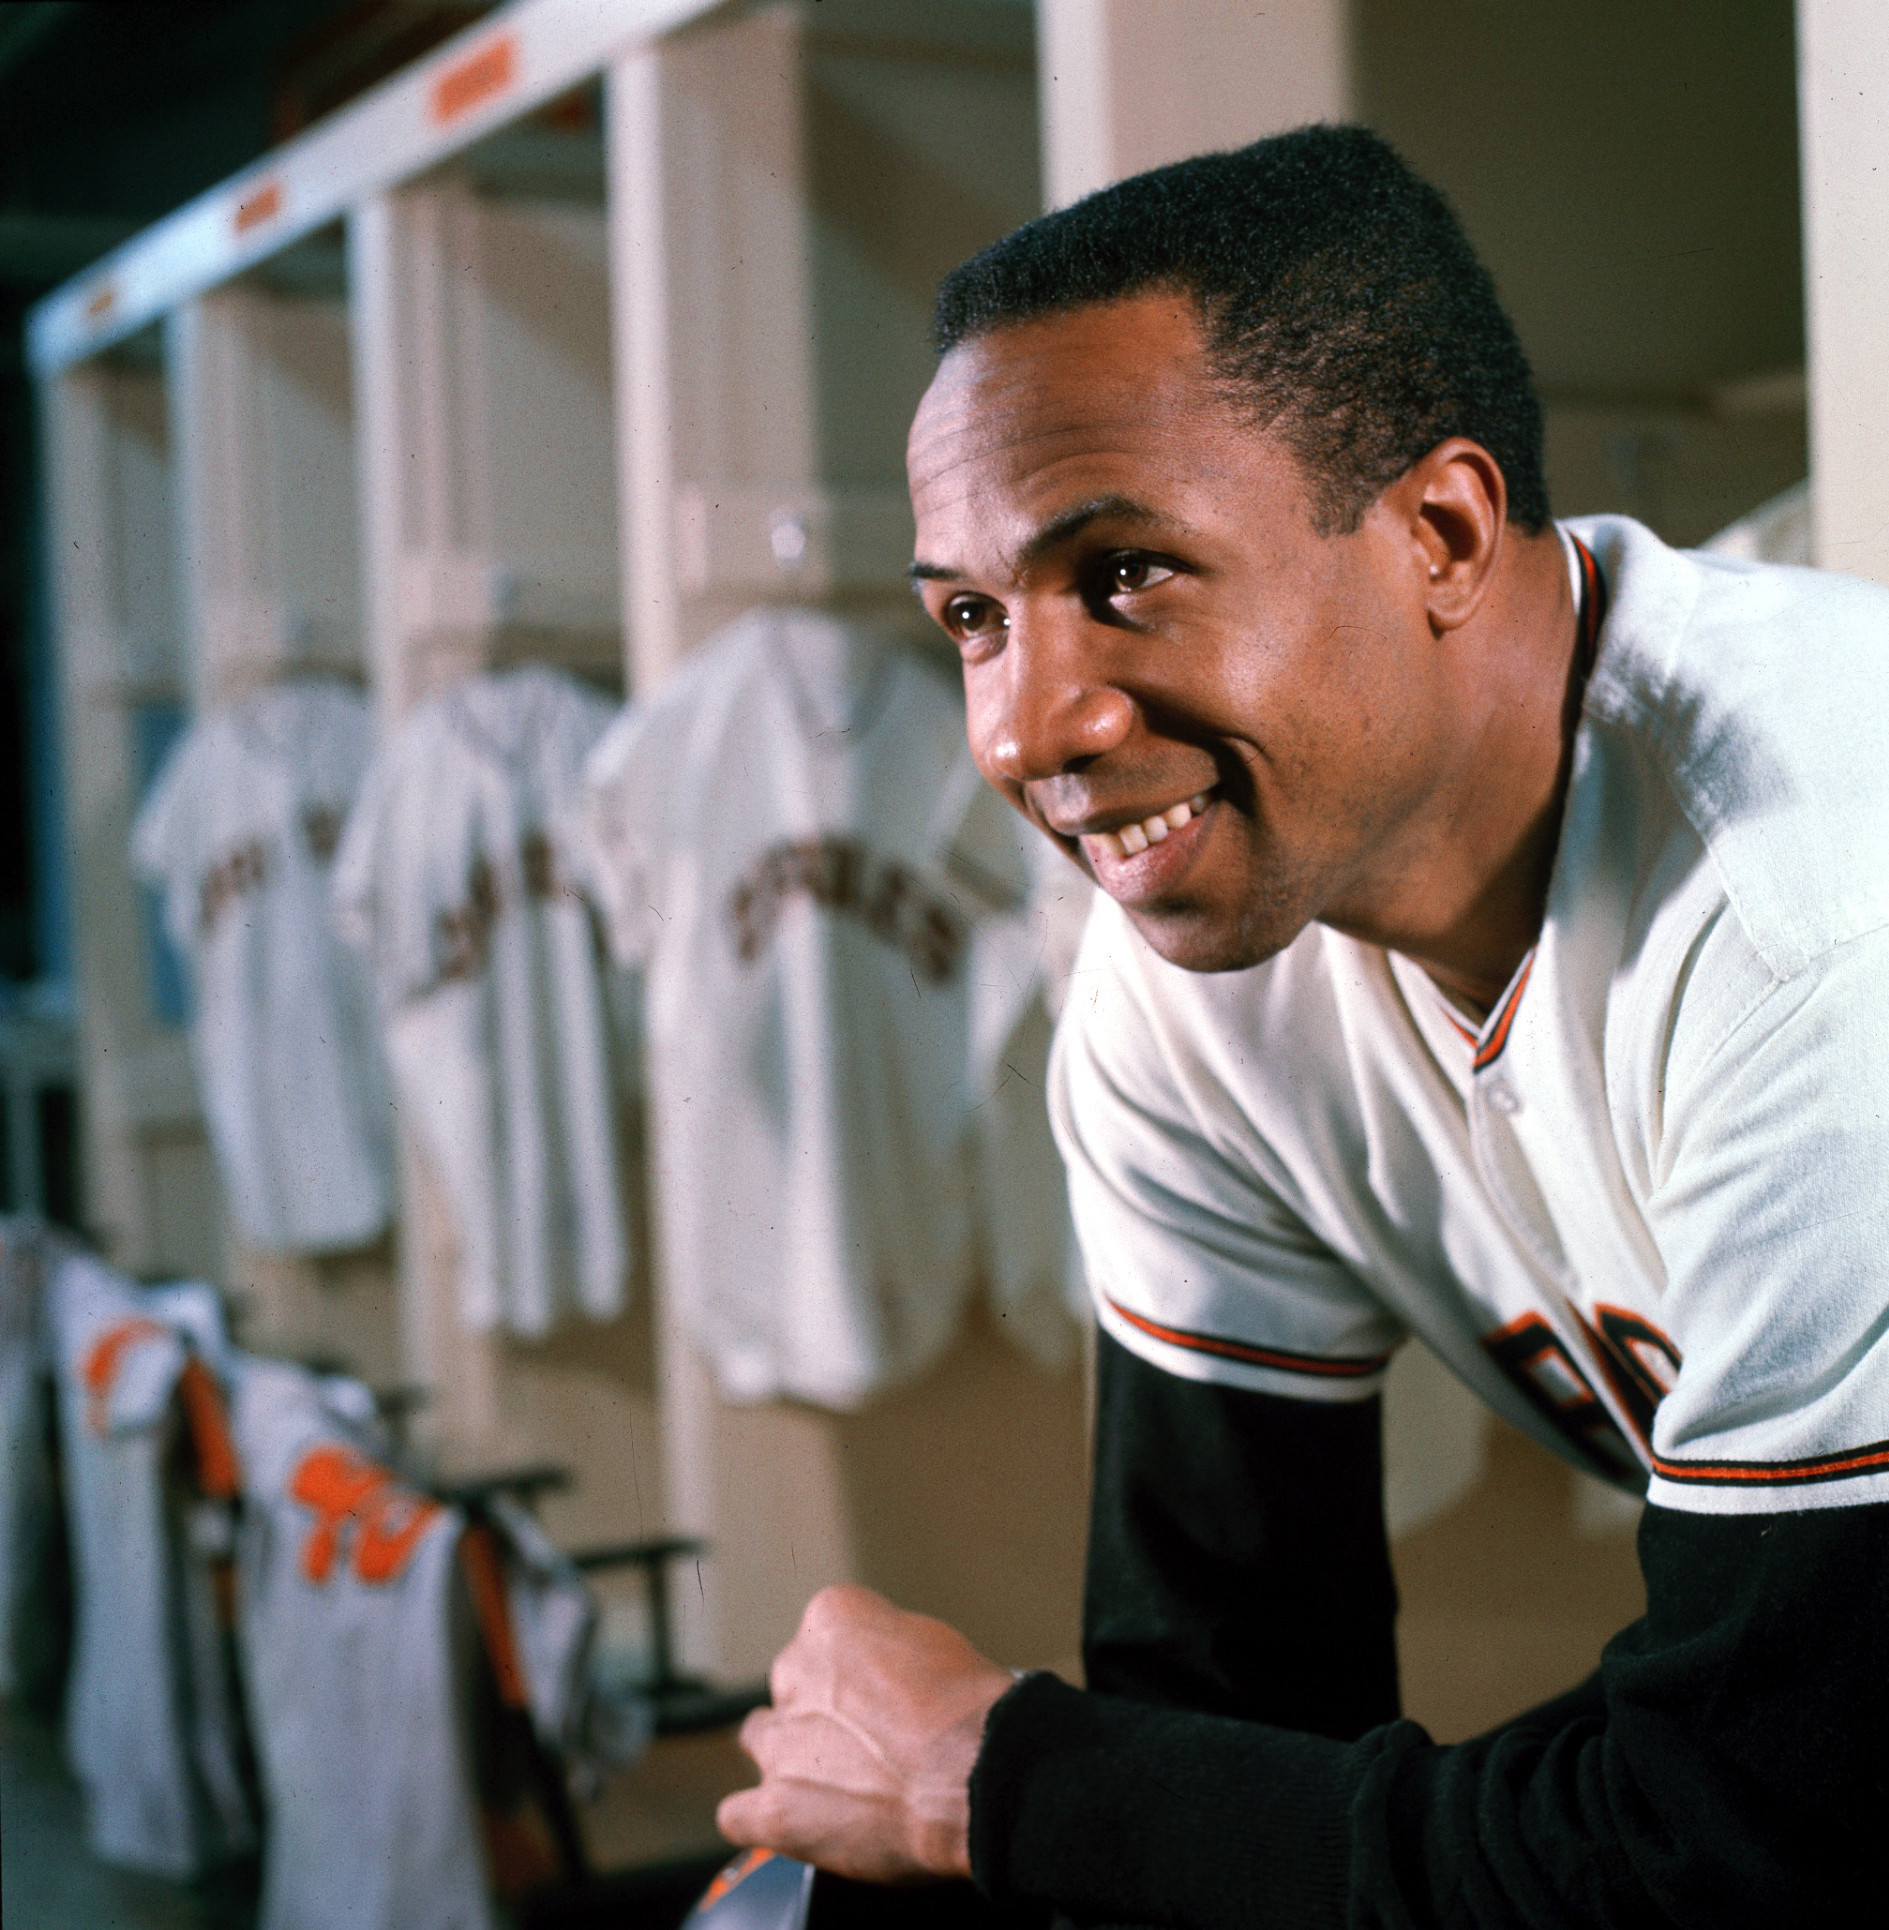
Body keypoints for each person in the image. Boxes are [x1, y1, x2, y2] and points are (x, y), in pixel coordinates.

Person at [715, 126, 1889, 1927]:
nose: (1023, 731)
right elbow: (1227, 1707)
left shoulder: (1821, 905)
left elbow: (1745, 1858)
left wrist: (990, 1771)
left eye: (1122, 573)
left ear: (1437, 530)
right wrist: (1012, 1811)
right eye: (970, 615)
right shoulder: (1191, 984)